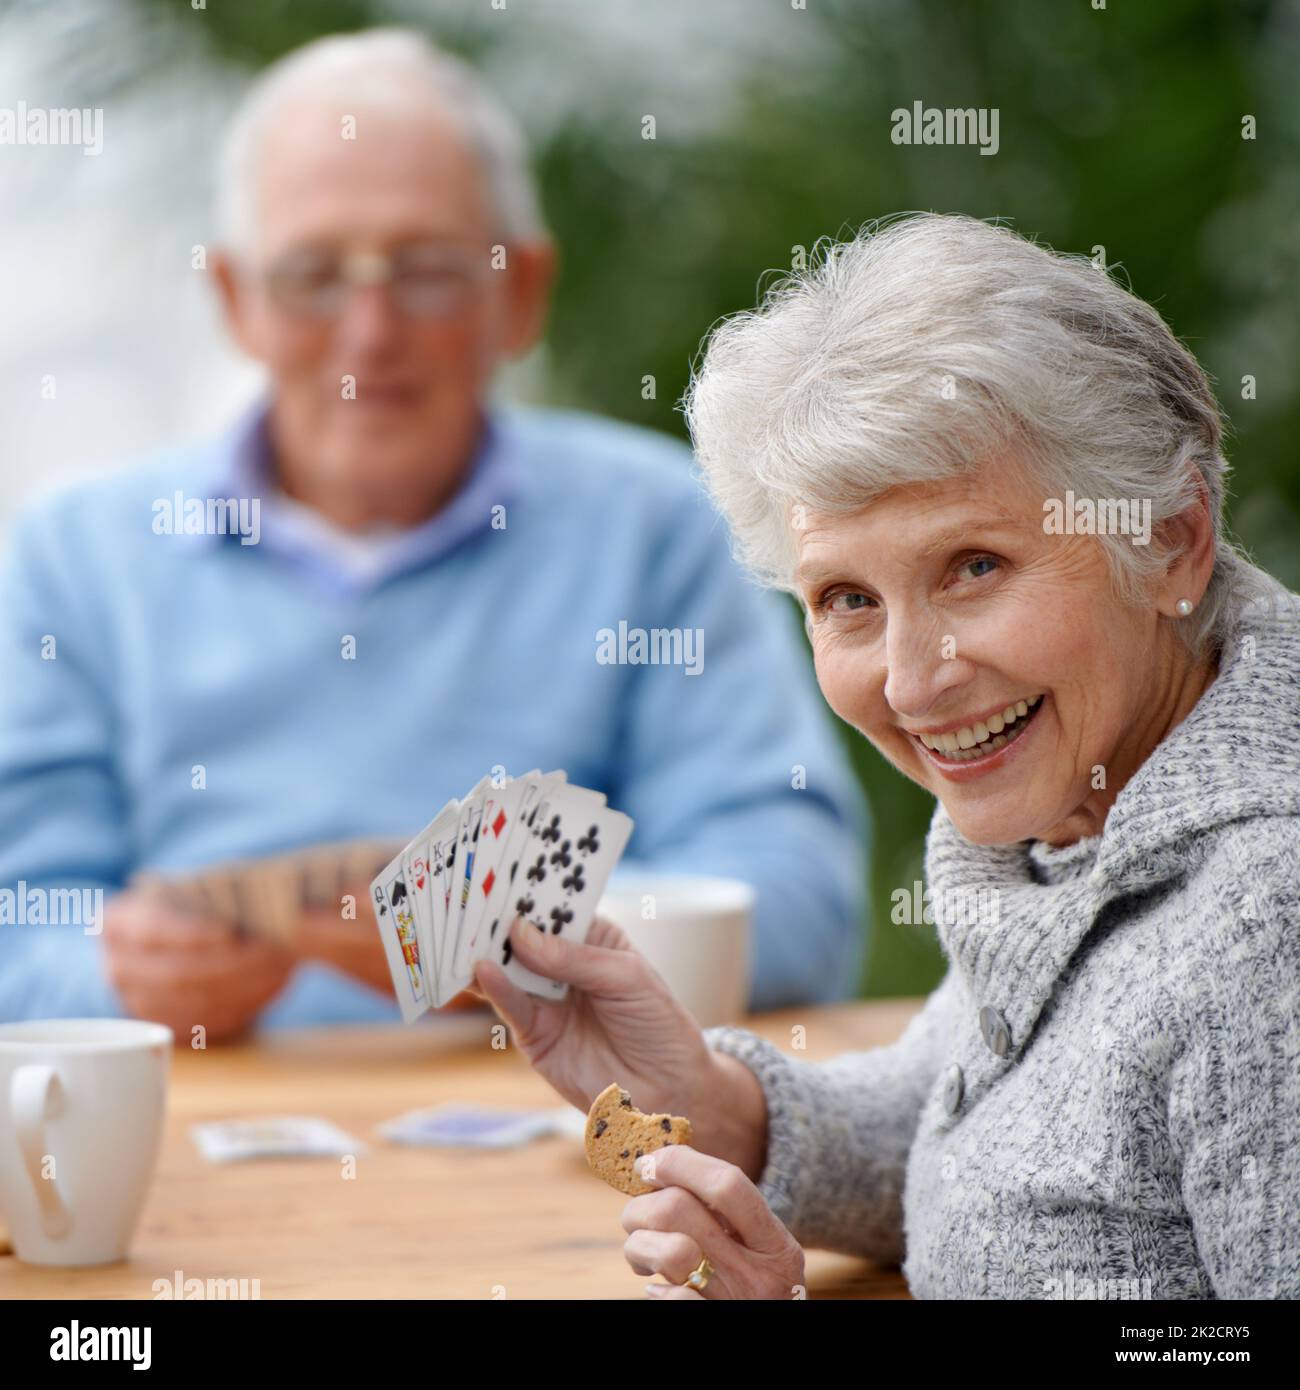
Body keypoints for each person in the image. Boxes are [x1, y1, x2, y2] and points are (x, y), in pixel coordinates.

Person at [470, 213, 1300, 1299]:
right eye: (847, 599)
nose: (912, 682)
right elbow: (974, 1128)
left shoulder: (1262, 923)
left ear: (1170, 541)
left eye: (973, 567)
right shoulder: (1094, 800)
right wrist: (716, 1103)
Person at [0, 30, 868, 1037]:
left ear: (521, 294)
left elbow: (797, 901)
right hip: (191, 1159)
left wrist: (517, 935)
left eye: (427, 271)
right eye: (313, 275)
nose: (371, 332)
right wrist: (114, 981)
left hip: (567, 1150)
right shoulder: (72, 558)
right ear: (236, 302)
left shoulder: (657, 527)